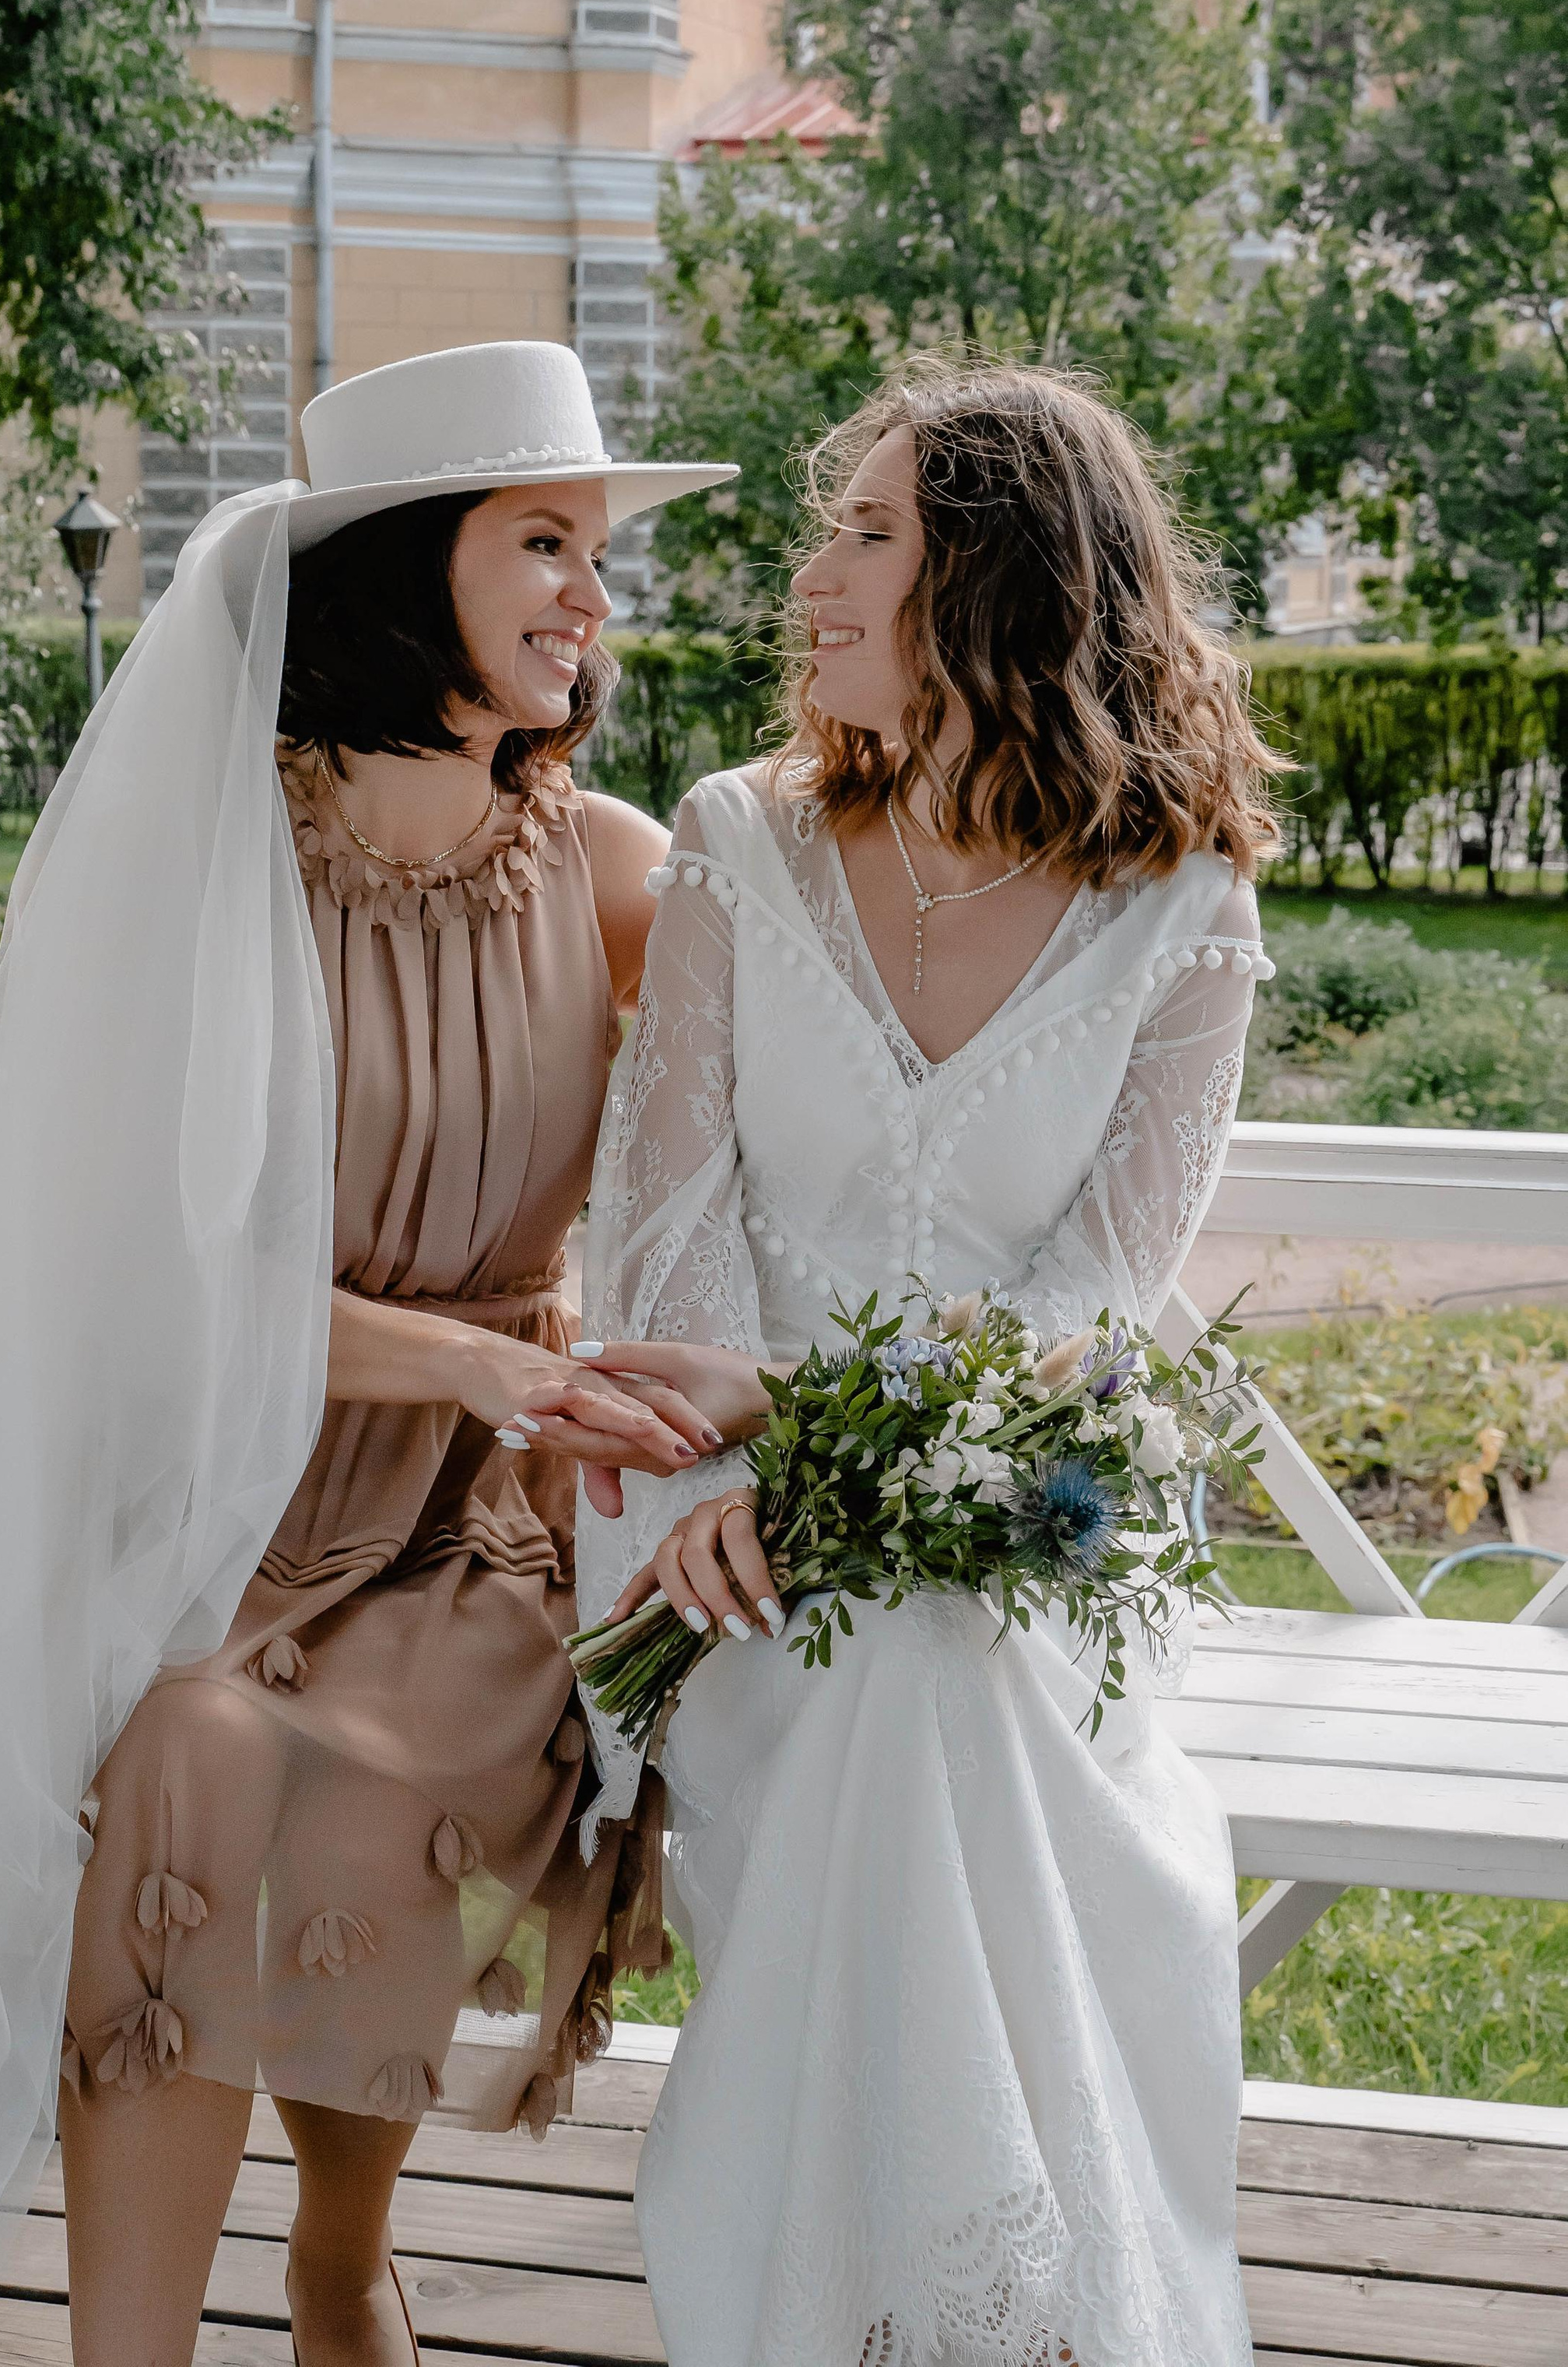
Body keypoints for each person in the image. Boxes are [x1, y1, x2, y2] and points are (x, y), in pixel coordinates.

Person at [0, 342, 742, 2367]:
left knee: (345, 1780)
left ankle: (341, 2271)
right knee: (192, 1745)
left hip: (492, 1513)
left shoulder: (623, 872)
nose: (591, 600)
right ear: (398, 576)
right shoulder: (224, 869)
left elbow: (841, 1098)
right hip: (229, 1474)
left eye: (599, 557)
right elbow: (145, 1272)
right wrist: (453, 1362)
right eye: (545, 544)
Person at [575, 361, 1279, 2367]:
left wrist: (844, 1458)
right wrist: (721, 1489)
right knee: (897, 1674)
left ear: (1009, 586)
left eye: (871, 532)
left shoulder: (1185, 906)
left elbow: (1099, 1289)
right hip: (692, 1505)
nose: (814, 571)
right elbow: (667, 1220)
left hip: (1030, 1502)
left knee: (934, 1670)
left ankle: (888, 2313)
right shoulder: (737, 840)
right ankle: (997, 2315)